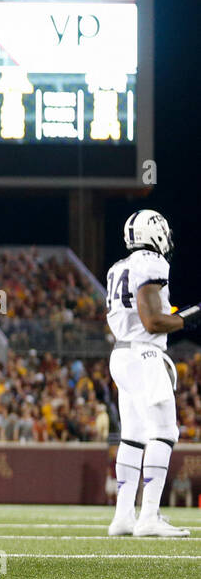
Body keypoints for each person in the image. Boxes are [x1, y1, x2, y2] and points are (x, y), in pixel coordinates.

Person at [105, 210, 198, 537]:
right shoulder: (153, 263)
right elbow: (153, 321)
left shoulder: (117, 268)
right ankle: (148, 517)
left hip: (121, 353)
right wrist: (188, 318)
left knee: (132, 436)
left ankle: (123, 517)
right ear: (156, 232)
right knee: (163, 432)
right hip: (144, 354)